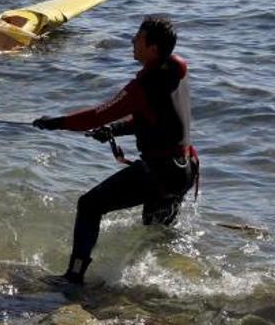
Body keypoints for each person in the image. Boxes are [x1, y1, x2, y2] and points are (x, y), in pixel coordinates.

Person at [33, 15, 198, 285]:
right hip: (184, 170)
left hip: (159, 173)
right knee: (156, 232)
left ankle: (73, 277)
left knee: (89, 205)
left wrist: (56, 123)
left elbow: (96, 116)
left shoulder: (142, 86)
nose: (132, 40)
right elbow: (154, 121)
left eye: (138, 38)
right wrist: (114, 131)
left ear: (153, 49)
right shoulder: (173, 74)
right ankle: (163, 285)